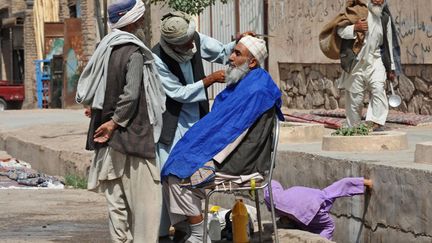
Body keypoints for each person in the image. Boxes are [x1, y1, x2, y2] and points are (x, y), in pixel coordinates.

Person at [161, 35, 283, 242]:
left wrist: (206, 157)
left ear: (252, 62)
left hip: (241, 161)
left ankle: (199, 234)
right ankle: (188, 229)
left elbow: (234, 134)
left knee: (178, 176)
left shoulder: (256, 90)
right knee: (172, 164)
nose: (230, 57)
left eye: (237, 54)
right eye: (232, 52)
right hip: (230, 152)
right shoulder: (244, 82)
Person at [151, 11, 251, 239]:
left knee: (194, 174)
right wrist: (209, 80)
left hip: (199, 121)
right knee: (170, 174)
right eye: (185, 44)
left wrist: (238, 42)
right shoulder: (157, 58)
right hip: (173, 122)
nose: (191, 45)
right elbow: (176, 93)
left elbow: (222, 52)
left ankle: (193, 227)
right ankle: (171, 231)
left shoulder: (193, 38)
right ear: (173, 45)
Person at [75, 0, 165, 242]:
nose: (144, 22)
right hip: (132, 138)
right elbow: (131, 94)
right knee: (147, 206)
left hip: (107, 141)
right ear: (132, 21)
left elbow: (98, 89)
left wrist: (101, 115)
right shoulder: (133, 52)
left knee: (117, 205)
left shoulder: (104, 48)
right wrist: (115, 122)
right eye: (141, 18)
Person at [321, 0, 401, 130]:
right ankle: (354, 127)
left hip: (375, 60)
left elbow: (388, 43)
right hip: (356, 61)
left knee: (378, 88)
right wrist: (354, 28)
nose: (379, 1)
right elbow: (340, 31)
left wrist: (391, 67)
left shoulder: (385, 18)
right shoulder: (356, 12)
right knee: (355, 98)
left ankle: (374, 122)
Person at [264, 178, 373, 240]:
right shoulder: (325, 195)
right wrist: (365, 182)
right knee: (328, 226)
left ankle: (287, 219)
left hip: (282, 205)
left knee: (302, 221)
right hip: (308, 208)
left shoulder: (285, 194)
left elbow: (271, 189)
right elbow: (343, 184)